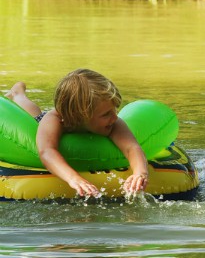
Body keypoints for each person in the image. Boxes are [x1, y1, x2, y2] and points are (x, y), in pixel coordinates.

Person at [4, 69, 148, 197]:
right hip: (43, 122)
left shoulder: (113, 122)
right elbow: (47, 151)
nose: (115, 117)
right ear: (79, 115)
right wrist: (73, 178)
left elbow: (132, 147)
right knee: (33, 113)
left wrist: (140, 173)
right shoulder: (55, 119)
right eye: (106, 114)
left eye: (114, 110)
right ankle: (18, 94)